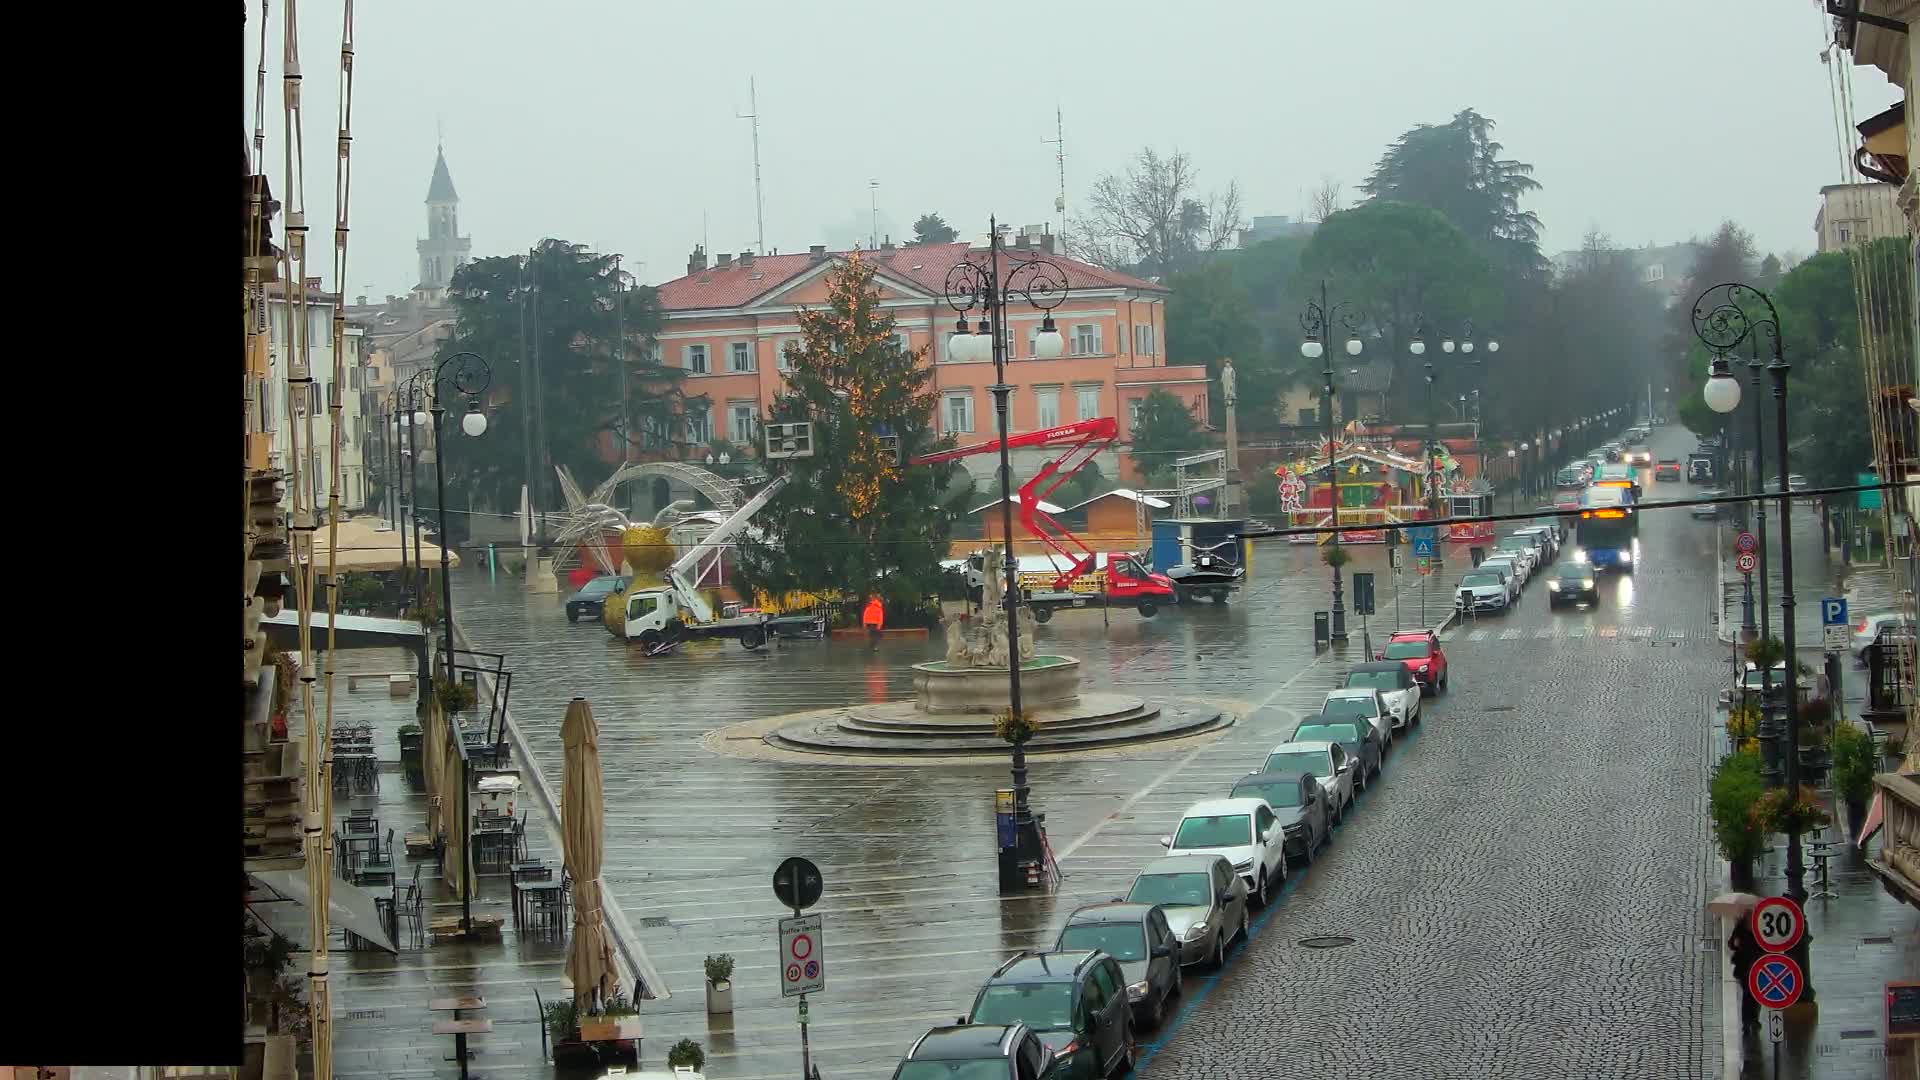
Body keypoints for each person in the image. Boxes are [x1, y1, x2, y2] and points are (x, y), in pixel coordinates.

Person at [1728, 918, 1762, 1034]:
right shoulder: (1741, 928)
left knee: (1755, 995)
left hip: (1756, 966)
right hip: (1745, 967)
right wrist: (1735, 944)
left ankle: (1752, 1020)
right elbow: (1731, 944)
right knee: (1748, 994)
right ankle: (1748, 1021)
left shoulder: (1760, 927)